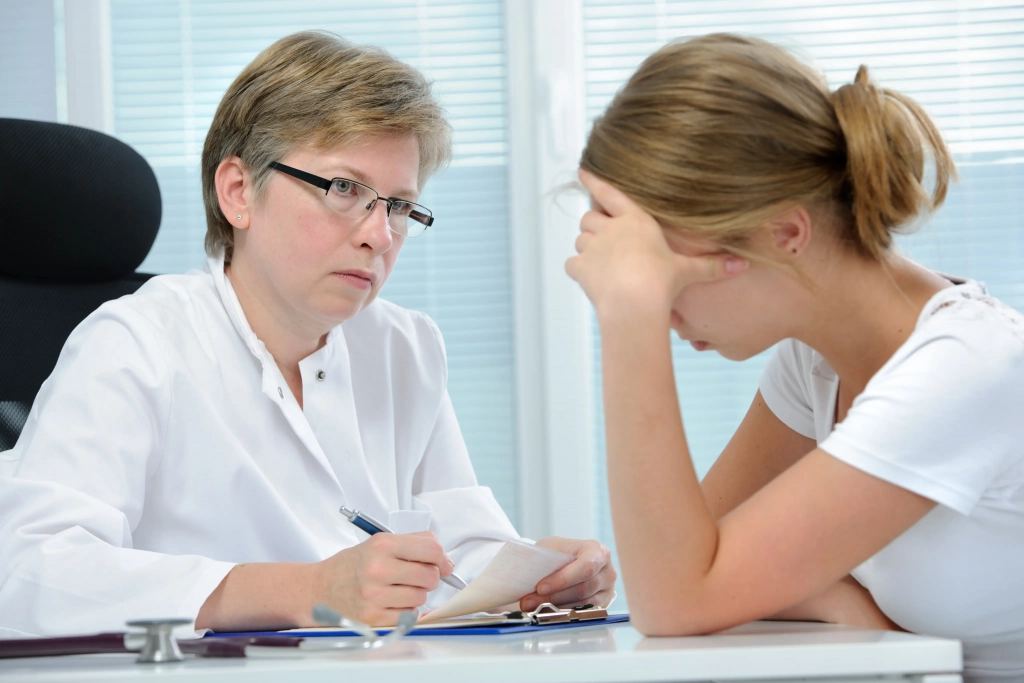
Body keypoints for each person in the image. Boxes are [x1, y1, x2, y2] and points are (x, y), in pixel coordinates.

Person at [0, 30, 615, 637]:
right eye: (346, 189)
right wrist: (307, 591)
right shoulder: (136, 344)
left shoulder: (404, 346)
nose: (379, 234)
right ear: (239, 192)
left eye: (400, 206)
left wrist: (535, 577)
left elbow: (456, 553)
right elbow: (28, 573)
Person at [566, 33, 1023, 681]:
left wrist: (629, 317)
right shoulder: (816, 364)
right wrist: (834, 598)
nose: (664, 306)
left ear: (785, 232)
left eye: (666, 269)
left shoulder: (963, 367)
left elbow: (676, 597)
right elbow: (684, 565)